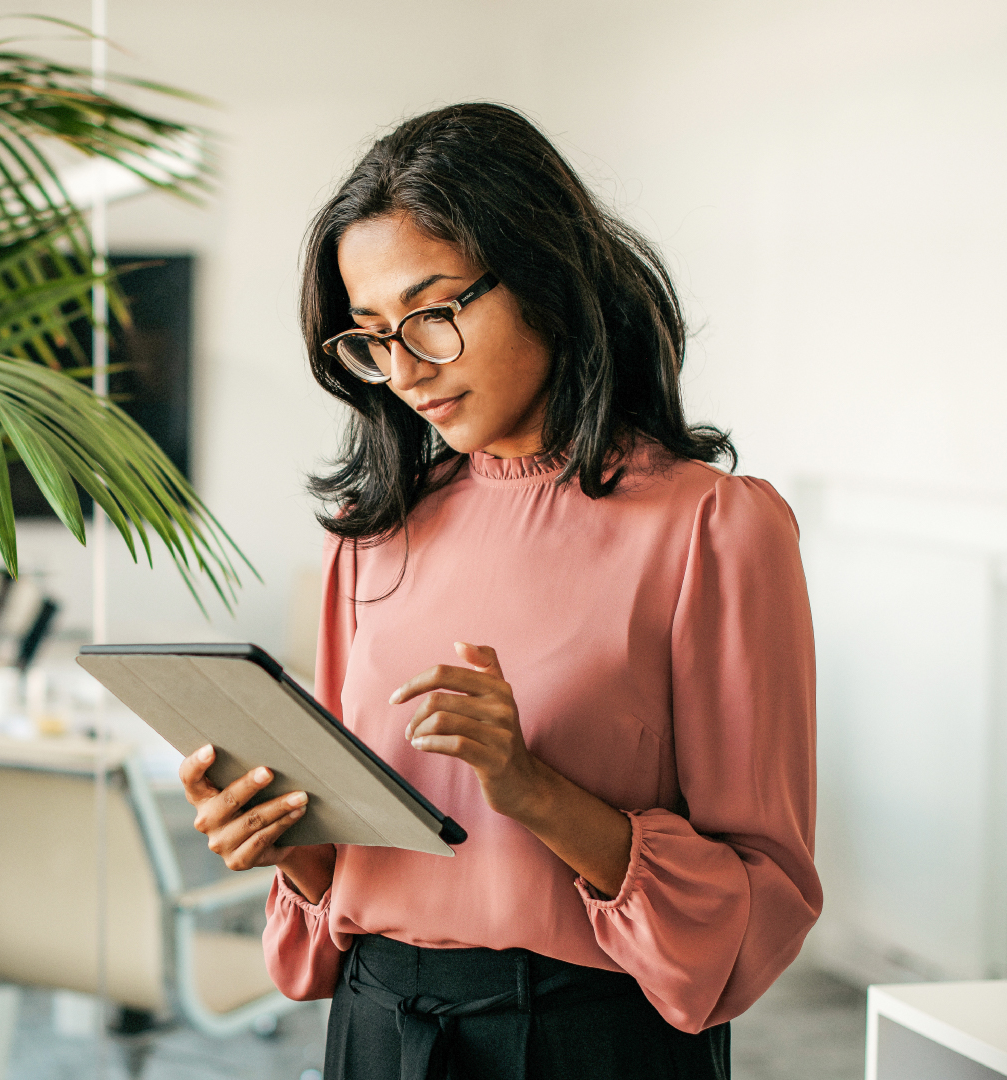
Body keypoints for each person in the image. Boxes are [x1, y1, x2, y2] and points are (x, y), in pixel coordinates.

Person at [178, 102, 821, 1080]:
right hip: (377, 1026)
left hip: (587, 1040)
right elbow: (356, 874)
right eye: (371, 336)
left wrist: (531, 788)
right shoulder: (373, 532)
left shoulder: (713, 528)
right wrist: (287, 846)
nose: (403, 370)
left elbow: (761, 898)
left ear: (544, 275)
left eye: (433, 314)